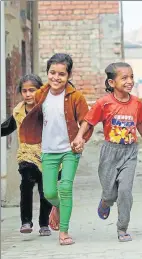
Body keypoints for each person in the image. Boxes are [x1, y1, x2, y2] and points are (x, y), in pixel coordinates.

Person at [71, 62, 142, 242]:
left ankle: (122, 228)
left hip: (130, 152)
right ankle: (106, 201)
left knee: (125, 191)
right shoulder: (104, 103)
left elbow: (139, 123)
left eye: (131, 77)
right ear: (111, 83)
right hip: (110, 152)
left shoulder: (137, 103)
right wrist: (79, 137)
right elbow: (88, 121)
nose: (129, 81)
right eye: (124, 78)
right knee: (110, 193)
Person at [19, 53, 93, 245]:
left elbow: (86, 120)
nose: (56, 78)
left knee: (65, 187)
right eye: (52, 73)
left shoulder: (75, 96)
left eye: (61, 74)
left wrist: (79, 137)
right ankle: (58, 207)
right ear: (47, 73)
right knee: (49, 193)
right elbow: (29, 112)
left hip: (70, 149)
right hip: (48, 150)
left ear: (69, 75)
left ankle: (64, 232)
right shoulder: (40, 95)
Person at [1, 74, 54, 236]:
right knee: (26, 185)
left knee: (46, 191)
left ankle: (44, 224)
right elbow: (6, 127)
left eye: (32, 90)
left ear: (40, 91)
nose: (28, 94)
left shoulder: (47, 109)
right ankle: (26, 221)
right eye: (24, 91)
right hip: (26, 155)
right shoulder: (18, 112)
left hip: (47, 155)